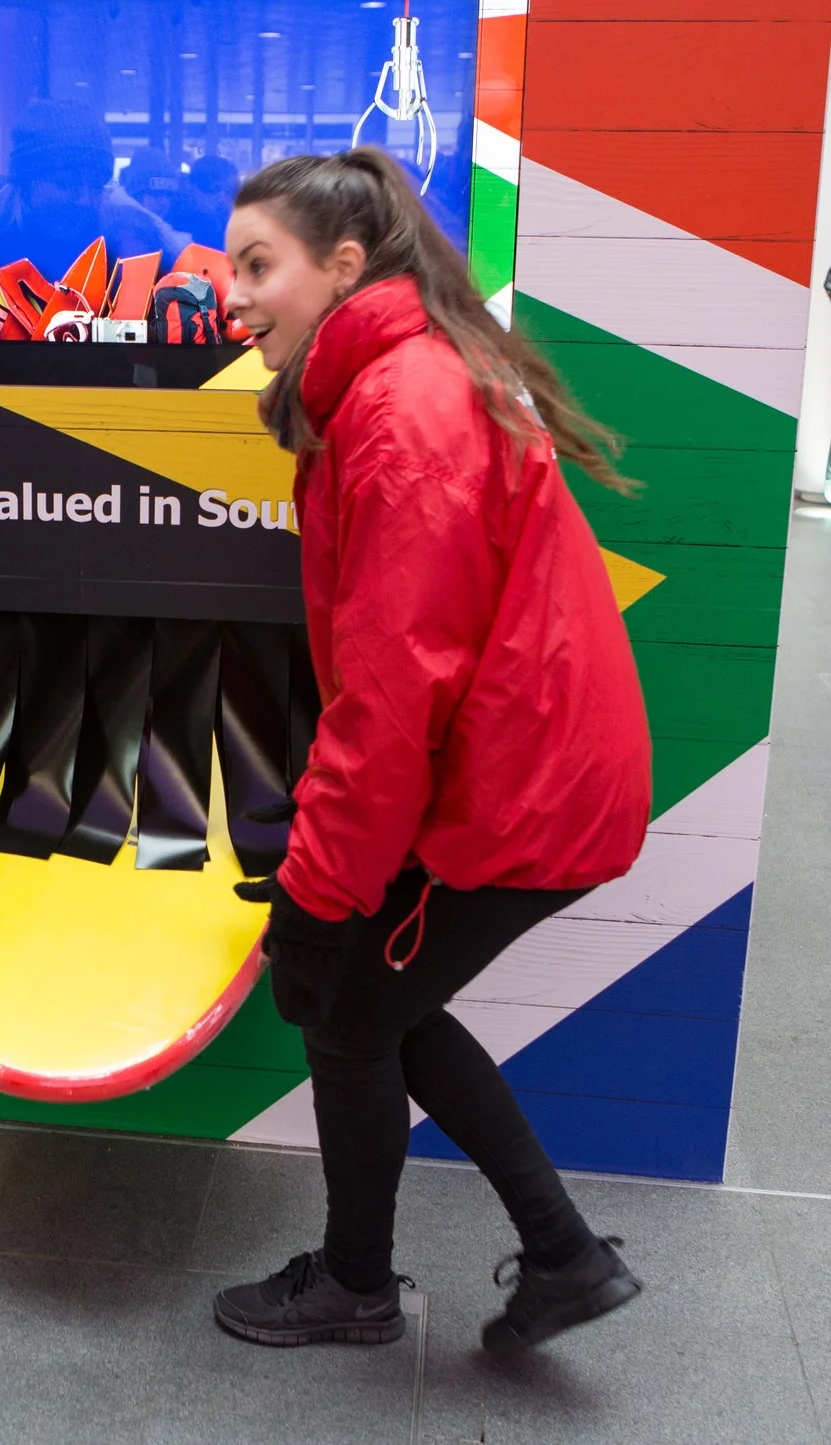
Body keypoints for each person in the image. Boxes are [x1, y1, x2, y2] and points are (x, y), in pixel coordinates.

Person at [214, 147, 650, 1353]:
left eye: (259, 266)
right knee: (378, 1011)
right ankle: (560, 1257)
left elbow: (392, 691)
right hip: (520, 773)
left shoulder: (403, 410)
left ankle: (359, 1285)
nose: (232, 295)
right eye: (228, 268)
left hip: (523, 792)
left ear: (344, 266)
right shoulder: (390, 383)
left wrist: (318, 890)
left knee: (352, 1015)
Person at [0, 98, 163, 278]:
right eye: (67, 183)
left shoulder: (120, 255)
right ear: (26, 182)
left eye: (97, 185)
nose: (85, 199)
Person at [170, 153, 240, 250]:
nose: (222, 198)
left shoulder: (231, 226)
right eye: (215, 189)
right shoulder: (180, 225)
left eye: (230, 191)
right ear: (192, 187)